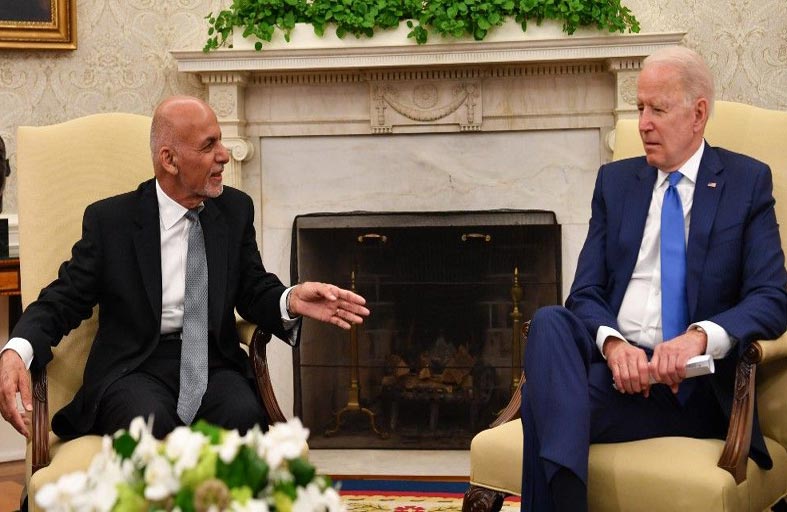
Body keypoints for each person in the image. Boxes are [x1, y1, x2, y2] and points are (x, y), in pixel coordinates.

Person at [0, 95, 370, 441]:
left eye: (220, 141)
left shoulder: (235, 210)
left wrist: (290, 300)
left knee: (244, 419)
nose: (224, 155)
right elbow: (64, 299)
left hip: (213, 363)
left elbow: (253, 288)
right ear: (170, 160)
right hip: (136, 367)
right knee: (148, 425)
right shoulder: (112, 222)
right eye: (209, 146)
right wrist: (17, 349)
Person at [520, 46, 787, 511]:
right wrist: (614, 346)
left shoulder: (745, 183)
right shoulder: (616, 182)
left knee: (544, 403)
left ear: (698, 114)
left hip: (692, 390)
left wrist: (699, 337)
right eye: (640, 107)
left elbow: (772, 297)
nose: (642, 123)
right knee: (549, 321)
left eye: (657, 110)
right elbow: (585, 293)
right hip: (620, 379)